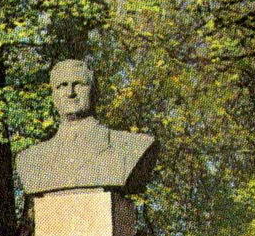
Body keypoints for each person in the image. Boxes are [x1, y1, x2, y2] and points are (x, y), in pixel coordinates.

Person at [16, 59, 158, 196]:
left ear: (95, 92)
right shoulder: (31, 160)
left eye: (79, 84)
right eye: (62, 86)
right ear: (53, 95)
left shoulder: (131, 146)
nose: (70, 93)